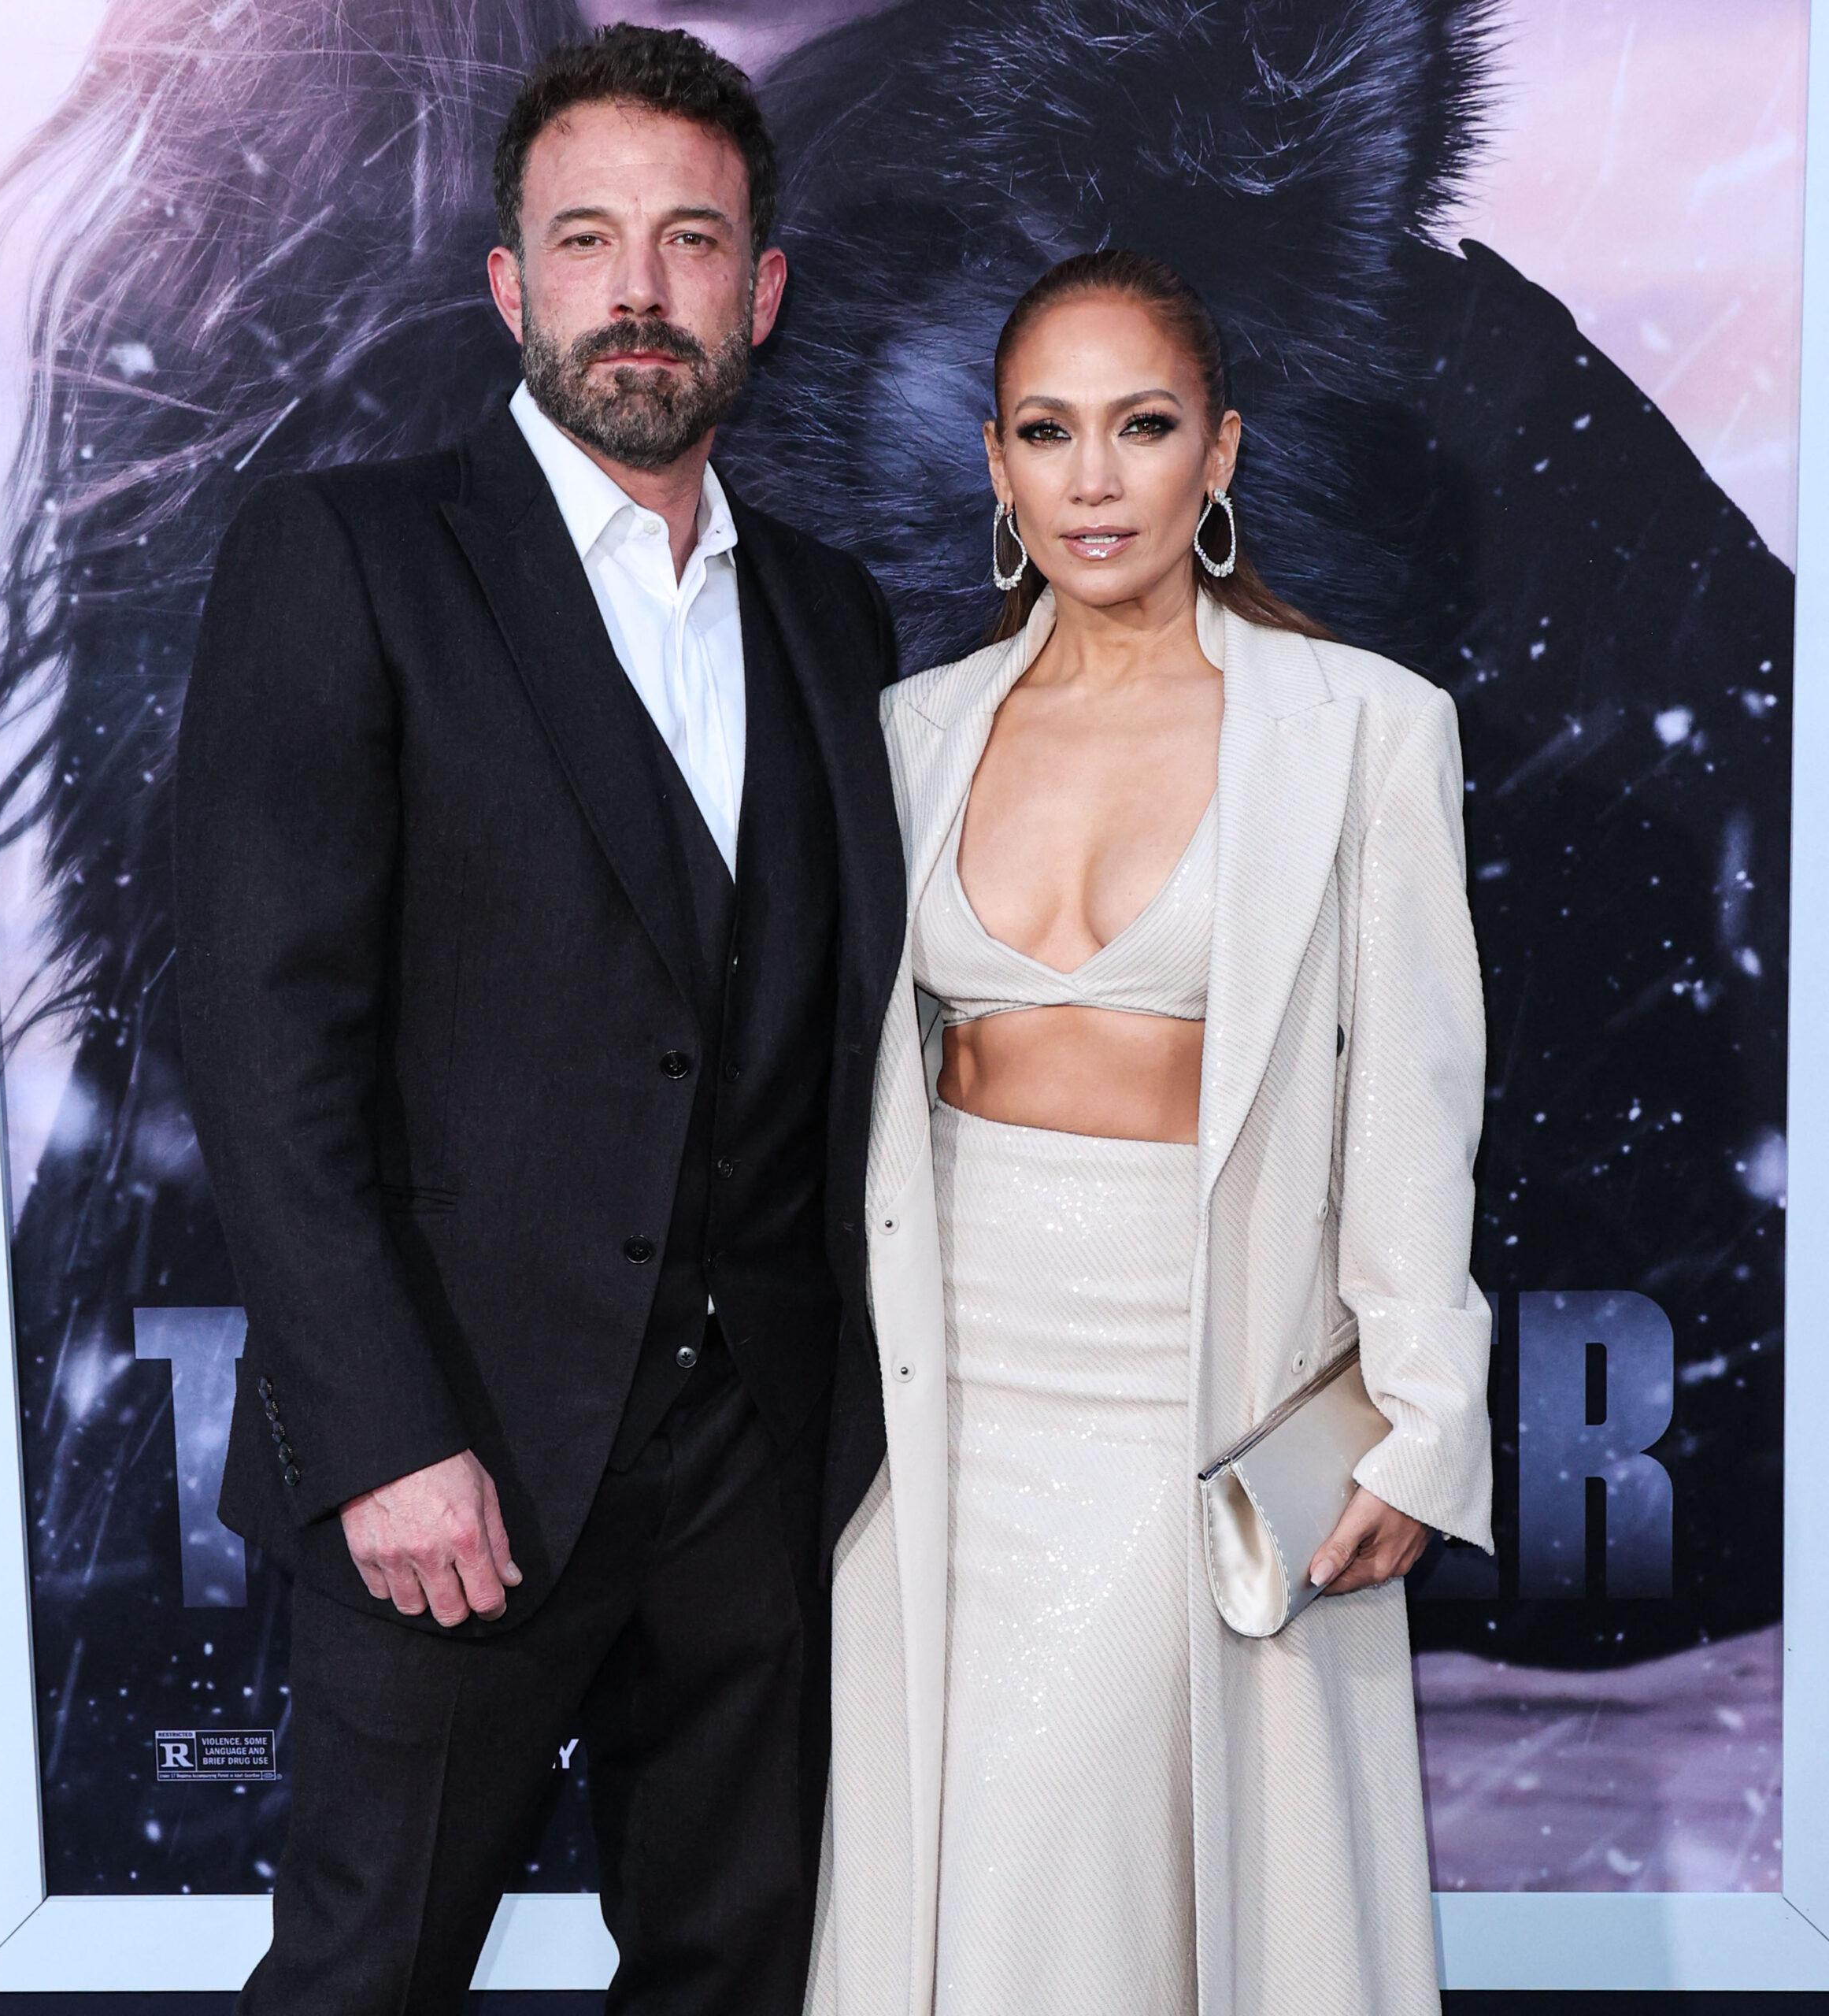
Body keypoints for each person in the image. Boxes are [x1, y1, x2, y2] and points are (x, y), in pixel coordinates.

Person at [172, 25, 902, 2012]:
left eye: (690, 240)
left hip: (757, 1476)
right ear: (511, 286)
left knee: (736, 1973)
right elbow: (260, 1039)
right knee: (364, 1975)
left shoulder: (833, 614)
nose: (638, 291)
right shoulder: (349, 558)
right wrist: (383, 1436)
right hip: (455, 1471)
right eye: (587, 240)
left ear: (760, 290)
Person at [807, 251, 1495, 2016]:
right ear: (992, 466)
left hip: (1202, 1373)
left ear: (1220, 452)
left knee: (1103, 1865)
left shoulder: (1359, 728)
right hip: (942, 1389)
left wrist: (1419, 1418)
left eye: (1139, 426)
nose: (1091, 478)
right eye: (1046, 432)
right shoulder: (912, 730)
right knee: (957, 1866)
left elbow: (1413, 1096)